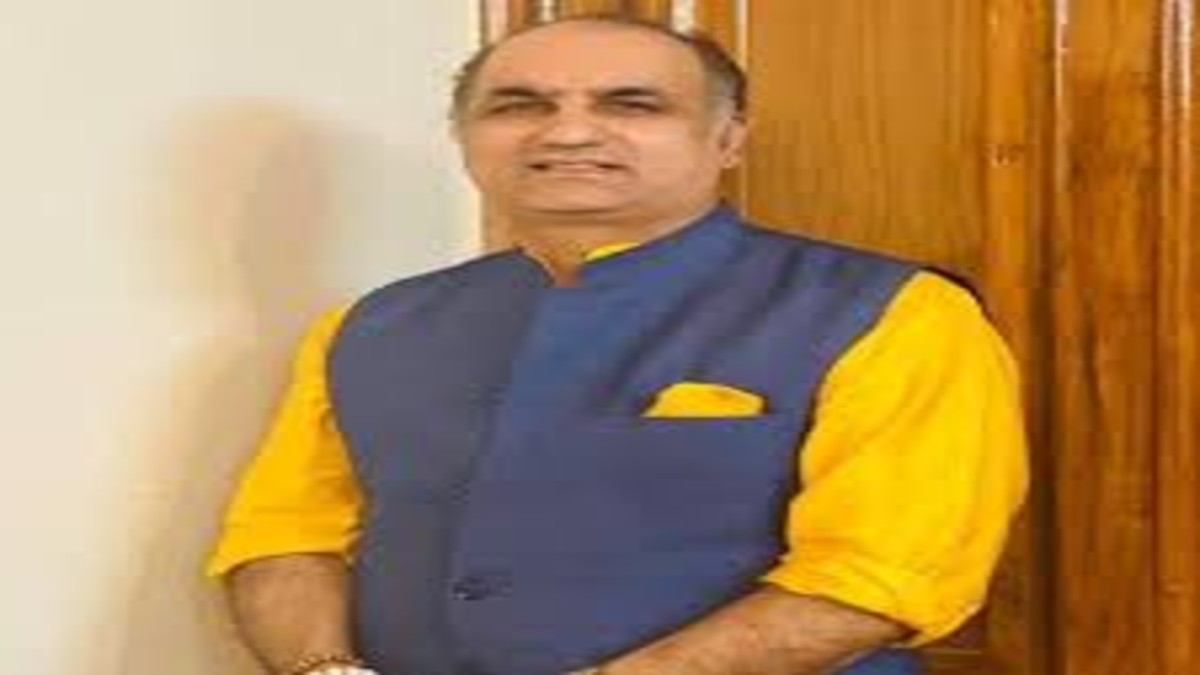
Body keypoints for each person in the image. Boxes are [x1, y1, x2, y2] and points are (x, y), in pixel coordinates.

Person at [208, 15, 1027, 675]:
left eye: (632, 105)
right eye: (518, 105)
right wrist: (325, 669)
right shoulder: (371, 325)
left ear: (728, 139)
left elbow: (883, 576)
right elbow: (284, 534)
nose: (568, 132)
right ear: (464, 137)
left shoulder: (894, 312)